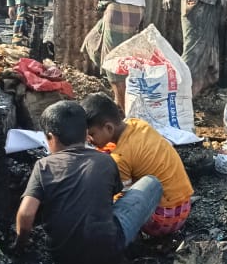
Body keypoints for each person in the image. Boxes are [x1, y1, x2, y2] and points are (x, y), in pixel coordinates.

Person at [14, 101, 164, 264]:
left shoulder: (43, 166)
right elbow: (114, 197)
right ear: (86, 134)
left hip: (62, 257)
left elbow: (26, 213)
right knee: (152, 183)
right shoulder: (106, 161)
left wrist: (20, 245)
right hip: (109, 256)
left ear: (51, 138)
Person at [82, 94, 194, 238]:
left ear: (109, 128)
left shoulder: (120, 158)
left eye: (92, 134)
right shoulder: (137, 124)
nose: (89, 140)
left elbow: (124, 198)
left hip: (164, 220)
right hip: (183, 206)